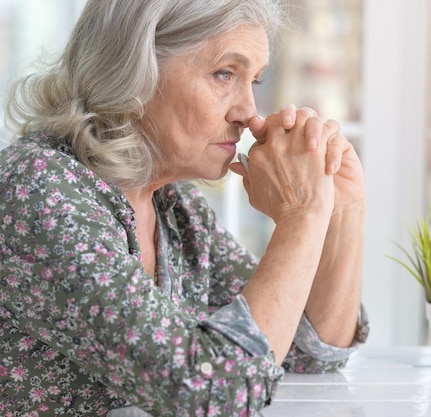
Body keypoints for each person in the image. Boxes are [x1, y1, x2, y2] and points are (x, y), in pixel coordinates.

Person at [0, 0, 368, 416]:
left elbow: (307, 350)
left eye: (255, 81)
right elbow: (211, 394)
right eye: (225, 74)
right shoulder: (38, 189)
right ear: (133, 71)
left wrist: (340, 206)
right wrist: (301, 213)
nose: (249, 113)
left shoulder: (175, 206)